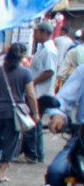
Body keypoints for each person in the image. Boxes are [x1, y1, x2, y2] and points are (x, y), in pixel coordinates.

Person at [0, 44, 39, 182]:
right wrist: (35, 113)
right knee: (10, 142)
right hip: (13, 113)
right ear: (21, 56)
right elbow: (31, 94)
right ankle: (1, 174)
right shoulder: (25, 73)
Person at [42, 63, 84, 186]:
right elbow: (63, 100)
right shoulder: (83, 71)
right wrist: (58, 115)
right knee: (56, 171)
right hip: (81, 139)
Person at [24, 22, 58, 163]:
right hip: (37, 91)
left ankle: (33, 154)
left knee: (33, 122)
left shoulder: (49, 50)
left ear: (44, 33)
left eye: (36, 32)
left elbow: (49, 71)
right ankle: (36, 154)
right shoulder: (43, 49)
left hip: (40, 93)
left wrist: (33, 82)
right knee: (35, 123)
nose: (34, 35)